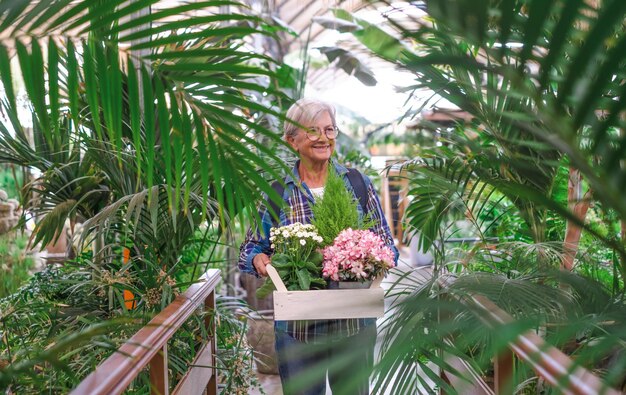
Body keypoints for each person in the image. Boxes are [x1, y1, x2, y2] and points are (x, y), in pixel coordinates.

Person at [238, 98, 398, 394]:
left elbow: (388, 245)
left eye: (329, 129)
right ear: (291, 141)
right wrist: (259, 260)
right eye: (312, 131)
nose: (324, 138)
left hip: (353, 324)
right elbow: (248, 250)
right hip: (298, 329)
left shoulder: (357, 183)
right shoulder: (276, 192)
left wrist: (370, 256)